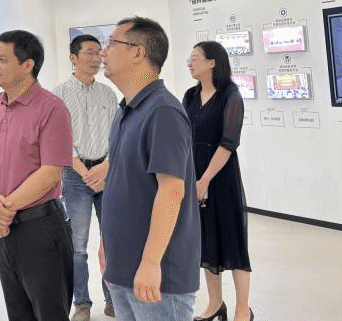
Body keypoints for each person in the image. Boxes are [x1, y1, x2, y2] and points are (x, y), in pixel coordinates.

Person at [98, 17, 200, 321]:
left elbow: (172, 190)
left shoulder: (163, 111)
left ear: (137, 52)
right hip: (123, 267)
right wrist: (106, 245)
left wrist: (151, 262)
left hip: (158, 278)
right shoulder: (126, 110)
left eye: (112, 43)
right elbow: (119, 185)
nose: (103, 51)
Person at [0, 29, 75, 321]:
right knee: (18, 313)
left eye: (3, 59)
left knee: (49, 313)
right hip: (4, 228)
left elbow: (51, 172)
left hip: (40, 228)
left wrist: (3, 209)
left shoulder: (52, 108)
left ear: (28, 65)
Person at [184, 41, 253, 321]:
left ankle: (242, 310)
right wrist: (192, 179)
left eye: (195, 58)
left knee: (234, 242)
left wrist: (205, 180)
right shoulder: (190, 96)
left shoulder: (231, 96)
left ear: (212, 62)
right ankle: (215, 304)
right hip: (194, 175)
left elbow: (228, 144)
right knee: (208, 242)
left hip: (221, 178)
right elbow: (184, 137)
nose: (190, 63)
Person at [55, 34, 118, 320]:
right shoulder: (58, 96)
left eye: (98, 53)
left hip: (107, 174)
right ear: (73, 58)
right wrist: (85, 172)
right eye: (90, 53)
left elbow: (117, 136)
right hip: (74, 176)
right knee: (78, 247)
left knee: (112, 240)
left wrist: (105, 167)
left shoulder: (108, 94)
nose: (96, 58)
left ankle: (113, 300)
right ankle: (82, 303)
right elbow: (59, 142)